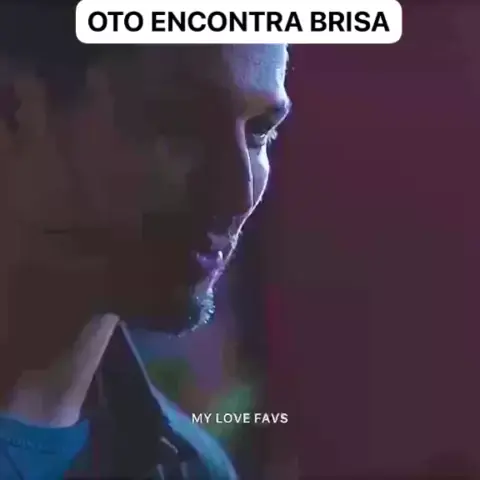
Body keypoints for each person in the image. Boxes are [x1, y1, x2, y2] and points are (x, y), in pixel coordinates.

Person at [0, 5, 291, 479]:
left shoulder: (192, 469)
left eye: (260, 132)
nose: (238, 194)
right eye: (183, 124)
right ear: (14, 109)